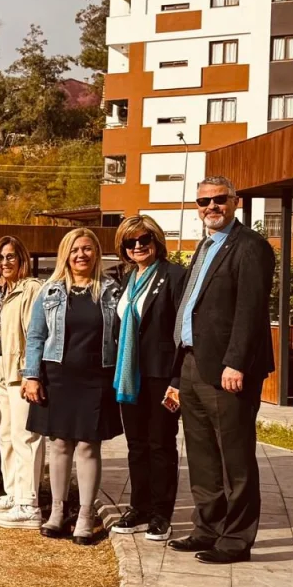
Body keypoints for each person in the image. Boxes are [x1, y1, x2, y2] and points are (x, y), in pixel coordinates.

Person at [169, 176, 274, 564]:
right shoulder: (205, 246)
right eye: (203, 201)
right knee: (201, 454)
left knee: (236, 457)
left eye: (218, 199)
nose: (211, 206)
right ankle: (208, 527)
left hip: (229, 370)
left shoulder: (251, 247)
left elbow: (250, 311)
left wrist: (236, 362)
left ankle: (236, 539)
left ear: (235, 202)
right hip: (194, 363)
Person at [23, 228, 123, 546]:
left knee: (88, 446)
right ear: (65, 254)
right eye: (74, 250)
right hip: (57, 376)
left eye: (87, 249)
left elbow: (124, 334)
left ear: (96, 253)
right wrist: (31, 375)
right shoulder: (50, 290)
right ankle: (56, 512)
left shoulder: (111, 290)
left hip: (96, 377)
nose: (81, 255)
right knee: (60, 445)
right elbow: (36, 336)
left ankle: (84, 516)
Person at [109, 216, 188, 543]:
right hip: (131, 375)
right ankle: (139, 509)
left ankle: (161, 514)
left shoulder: (173, 276)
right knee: (136, 446)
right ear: (124, 248)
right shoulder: (127, 280)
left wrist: (177, 378)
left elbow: (184, 332)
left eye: (145, 239)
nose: (138, 246)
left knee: (160, 445)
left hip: (160, 375)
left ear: (156, 240)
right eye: (131, 242)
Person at [0, 236, 47, 529]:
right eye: (0, 258)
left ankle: (29, 502)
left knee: (27, 438)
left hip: (21, 372)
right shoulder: (4, 292)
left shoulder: (32, 289)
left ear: (22, 259)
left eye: (11, 257)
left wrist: (30, 373)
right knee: (6, 435)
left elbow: (35, 334)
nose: (5, 263)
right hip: (2, 370)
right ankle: (13, 492)